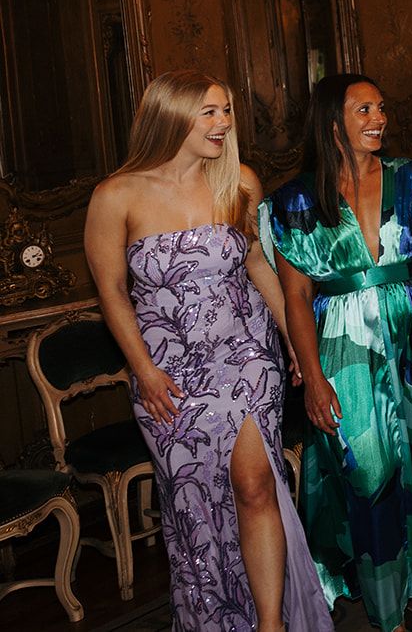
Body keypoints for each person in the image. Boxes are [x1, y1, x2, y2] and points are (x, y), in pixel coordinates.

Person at [84, 71, 330, 632]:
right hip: (166, 374)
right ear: (171, 115)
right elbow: (112, 294)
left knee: (255, 484)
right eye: (210, 113)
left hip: (244, 357)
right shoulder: (115, 196)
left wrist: (294, 341)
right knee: (193, 507)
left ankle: (270, 623)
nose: (223, 124)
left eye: (226, 113)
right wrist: (143, 372)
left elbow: (257, 265)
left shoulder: (239, 183)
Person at [259, 74, 412, 632]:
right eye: (363, 110)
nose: (378, 118)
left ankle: (411, 588)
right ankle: (385, 610)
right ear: (332, 125)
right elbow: (296, 297)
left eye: (380, 107)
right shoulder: (294, 202)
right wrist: (312, 375)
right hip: (342, 344)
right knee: (368, 468)